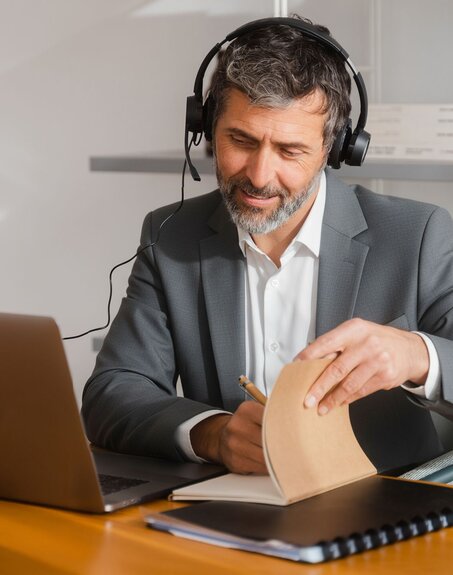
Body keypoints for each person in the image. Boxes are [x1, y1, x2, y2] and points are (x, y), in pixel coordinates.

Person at [82, 16, 453, 477]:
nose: (258, 175)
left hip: (384, 514)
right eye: (241, 140)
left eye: (290, 151)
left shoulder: (418, 235)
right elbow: (113, 391)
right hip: (228, 514)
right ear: (205, 126)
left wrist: (417, 355)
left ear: (333, 149)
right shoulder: (170, 236)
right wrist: (213, 435)